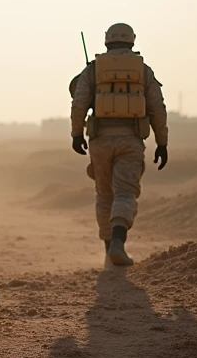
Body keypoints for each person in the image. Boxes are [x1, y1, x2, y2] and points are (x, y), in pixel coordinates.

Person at [70, 22, 169, 266]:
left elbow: (79, 103)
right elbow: (158, 109)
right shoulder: (143, 71)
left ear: (107, 40)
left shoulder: (93, 70)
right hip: (131, 141)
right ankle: (118, 243)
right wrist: (162, 143)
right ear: (131, 41)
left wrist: (76, 135)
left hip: (100, 141)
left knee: (104, 195)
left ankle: (108, 248)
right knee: (125, 192)